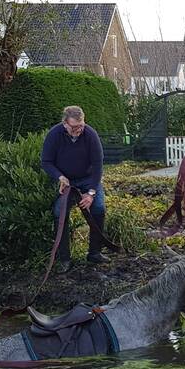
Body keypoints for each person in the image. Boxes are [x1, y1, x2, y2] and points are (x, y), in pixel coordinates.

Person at [40, 105, 107, 272]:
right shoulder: (54, 135)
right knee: (59, 213)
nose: (79, 130)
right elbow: (46, 162)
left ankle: (94, 253)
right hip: (67, 181)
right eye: (74, 127)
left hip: (88, 179)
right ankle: (64, 259)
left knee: (98, 208)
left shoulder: (90, 134)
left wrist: (91, 192)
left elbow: (98, 165)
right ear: (65, 124)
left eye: (81, 125)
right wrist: (60, 177)